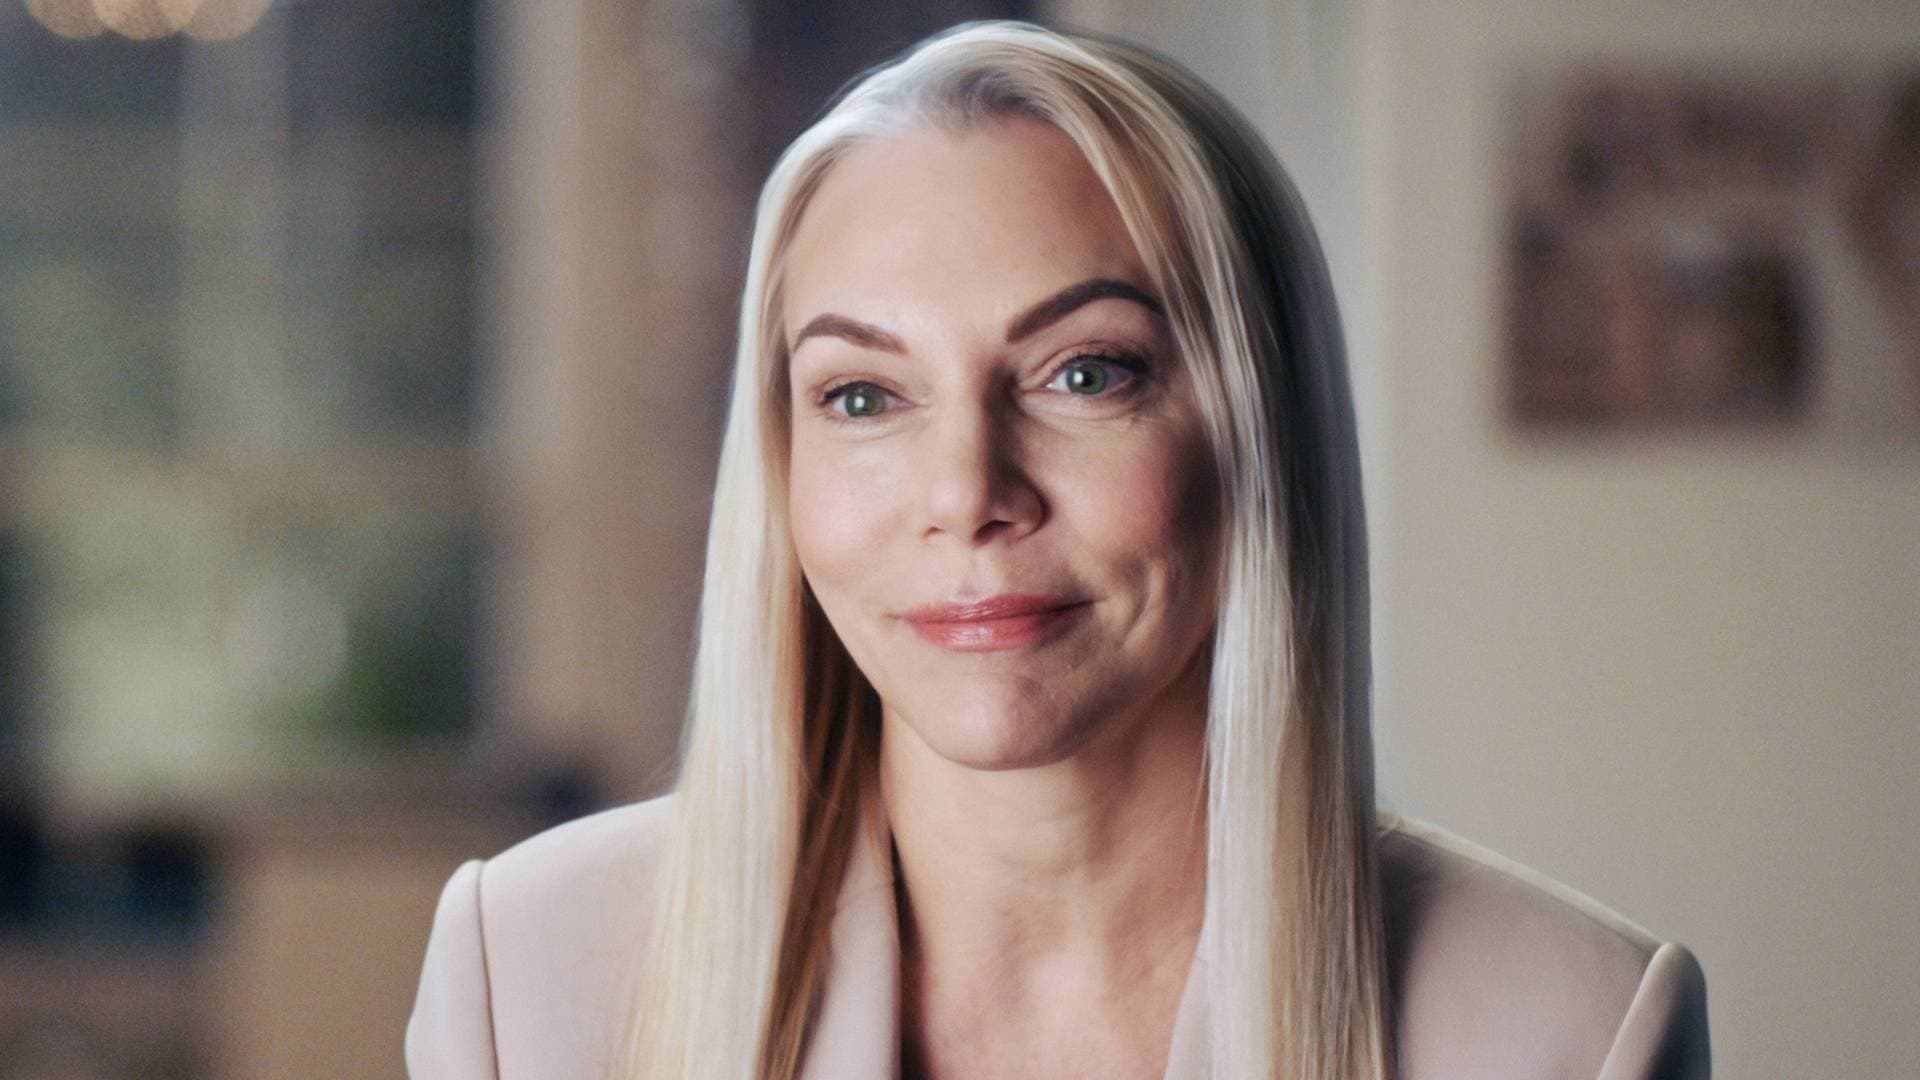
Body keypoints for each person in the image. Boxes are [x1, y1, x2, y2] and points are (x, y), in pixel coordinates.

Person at [406, 21, 1709, 1080]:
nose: (967, 494)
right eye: (863, 396)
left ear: (1261, 433)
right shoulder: (527, 977)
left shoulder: (1571, 1034)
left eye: (1085, 373)